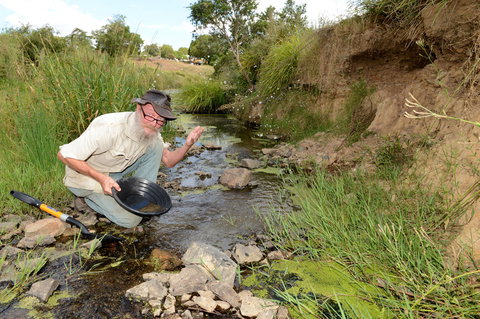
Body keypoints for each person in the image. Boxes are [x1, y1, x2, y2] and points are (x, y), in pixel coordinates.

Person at [57, 89, 204, 228]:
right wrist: (102, 179)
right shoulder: (110, 127)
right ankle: (85, 200)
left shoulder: (152, 129)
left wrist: (187, 145)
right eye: (151, 117)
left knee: (156, 147)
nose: (154, 124)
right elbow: (64, 154)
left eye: (160, 121)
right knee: (131, 220)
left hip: (114, 173)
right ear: (139, 108)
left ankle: (140, 195)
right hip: (85, 178)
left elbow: (168, 161)